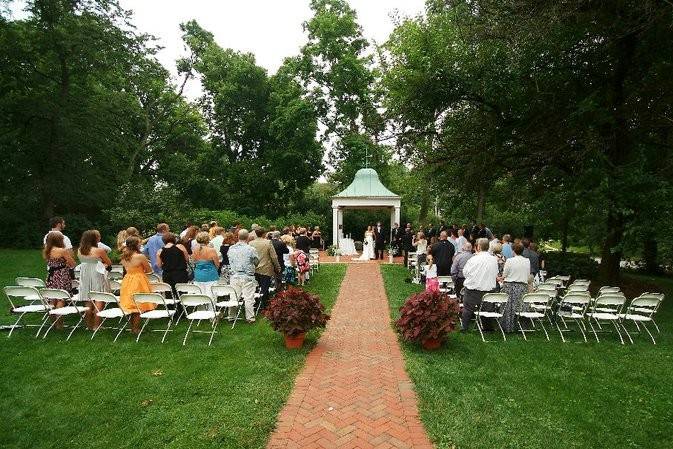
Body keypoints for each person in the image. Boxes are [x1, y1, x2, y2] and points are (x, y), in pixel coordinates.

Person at [119, 236, 155, 334]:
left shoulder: (123, 256)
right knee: (138, 304)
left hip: (127, 280)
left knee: (131, 303)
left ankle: (133, 327)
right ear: (136, 245)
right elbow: (149, 270)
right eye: (139, 243)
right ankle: (135, 328)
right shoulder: (140, 256)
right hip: (139, 280)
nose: (141, 244)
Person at [460, 238, 498, 331]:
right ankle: (487, 327)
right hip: (488, 288)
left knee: (468, 309)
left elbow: (465, 272)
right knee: (487, 309)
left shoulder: (473, 259)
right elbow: (495, 273)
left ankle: (464, 327)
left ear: (479, 247)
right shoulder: (494, 260)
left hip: (473, 288)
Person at [78, 230, 111, 330]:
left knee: (88, 298)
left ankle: (89, 325)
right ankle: (97, 325)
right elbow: (108, 262)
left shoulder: (80, 250)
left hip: (84, 273)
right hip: (96, 273)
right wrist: (103, 264)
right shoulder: (99, 250)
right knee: (99, 297)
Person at [44, 232, 76, 329]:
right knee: (61, 299)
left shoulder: (47, 250)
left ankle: (53, 323)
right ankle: (60, 324)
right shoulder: (62, 251)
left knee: (52, 299)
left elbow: (50, 262)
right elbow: (72, 263)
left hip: (51, 275)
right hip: (61, 275)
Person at [227, 229, 260, 323]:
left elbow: (230, 260)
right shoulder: (251, 249)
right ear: (248, 237)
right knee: (248, 297)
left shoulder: (231, 248)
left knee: (234, 296)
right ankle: (250, 318)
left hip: (234, 275)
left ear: (237, 237)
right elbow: (256, 261)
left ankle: (231, 316)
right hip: (247, 276)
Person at [499, 242, 530, 333]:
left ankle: (508, 327)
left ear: (513, 251)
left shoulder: (510, 261)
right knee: (520, 307)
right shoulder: (527, 261)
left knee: (508, 308)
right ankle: (519, 326)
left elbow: (505, 274)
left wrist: (501, 277)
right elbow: (527, 274)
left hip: (510, 286)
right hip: (522, 286)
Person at [249, 228, 281, 311]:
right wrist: (277, 266)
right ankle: (265, 305)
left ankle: (256, 303)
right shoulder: (268, 242)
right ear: (264, 234)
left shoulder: (251, 243)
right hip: (265, 268)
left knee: (255, 287)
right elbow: (274, 256)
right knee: (265, 287)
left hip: (254, 268)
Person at [156, 232, 189, 299]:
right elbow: (187, 259)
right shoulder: (180, 247)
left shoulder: (160, 251)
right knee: (181, 292)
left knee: (169, 293)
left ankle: (170, 307)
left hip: (167, 274)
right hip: (180, 273)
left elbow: (159, 265)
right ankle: (181, 308)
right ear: (174, 239)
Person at [192, 232, 220, 308]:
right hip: (211, 275)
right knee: (212, 295)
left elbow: (194, 262)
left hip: (198, 275)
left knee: (200, 295)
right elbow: (217, 264)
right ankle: (212, 313)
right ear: (207, 240)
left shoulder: (195, 250)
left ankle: (202, 311)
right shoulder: (211, 250)